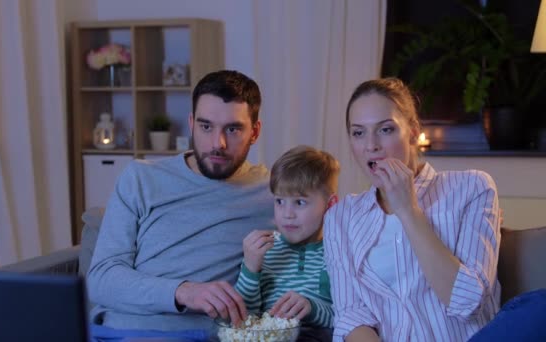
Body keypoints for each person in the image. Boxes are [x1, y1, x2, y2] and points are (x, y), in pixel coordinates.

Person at [86, 70, 274, 333]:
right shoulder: (141, 178)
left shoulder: (275, 194)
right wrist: (183, 292)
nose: (217, 143)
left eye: (233, 129)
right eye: (205, 126)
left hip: (196, 335)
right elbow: (102, 279)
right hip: (115, 330)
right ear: (191, 123)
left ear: (254, 132)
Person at [324, 77, 501, 341]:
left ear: (414, 131)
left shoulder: (472, 188)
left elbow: (468, 302)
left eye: (385, 129)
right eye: (358, 132)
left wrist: (408, 209)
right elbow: (351, 315)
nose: (371, 145)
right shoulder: (341, 217)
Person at [235, 145, 339, 339]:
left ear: (330, 205)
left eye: (299, 202)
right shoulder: (264, 250)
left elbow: (347, 318)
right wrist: (250, 268)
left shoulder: (339, 254)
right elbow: (243, 318)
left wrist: (312, 308)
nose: (286, 214)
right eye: (279, 201)